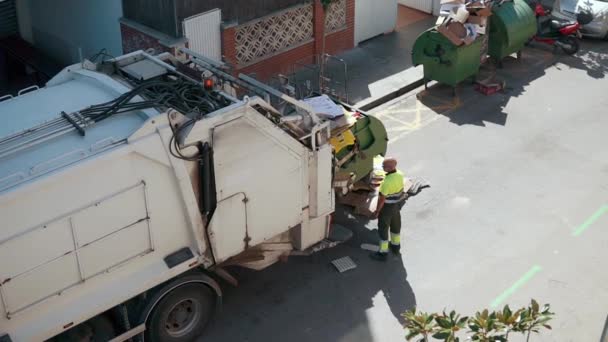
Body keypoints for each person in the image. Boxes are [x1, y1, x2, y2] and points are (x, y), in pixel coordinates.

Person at [370, 157, 406, 262]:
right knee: (396, 225)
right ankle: (395, 246)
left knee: (383, 228)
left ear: (390, 168)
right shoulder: (400, 174)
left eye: (383, 166)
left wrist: (377, 212)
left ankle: (383, 253)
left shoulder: (386, 183)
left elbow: (382, 200)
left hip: (386, 208)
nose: (382, 167)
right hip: (396, 206)